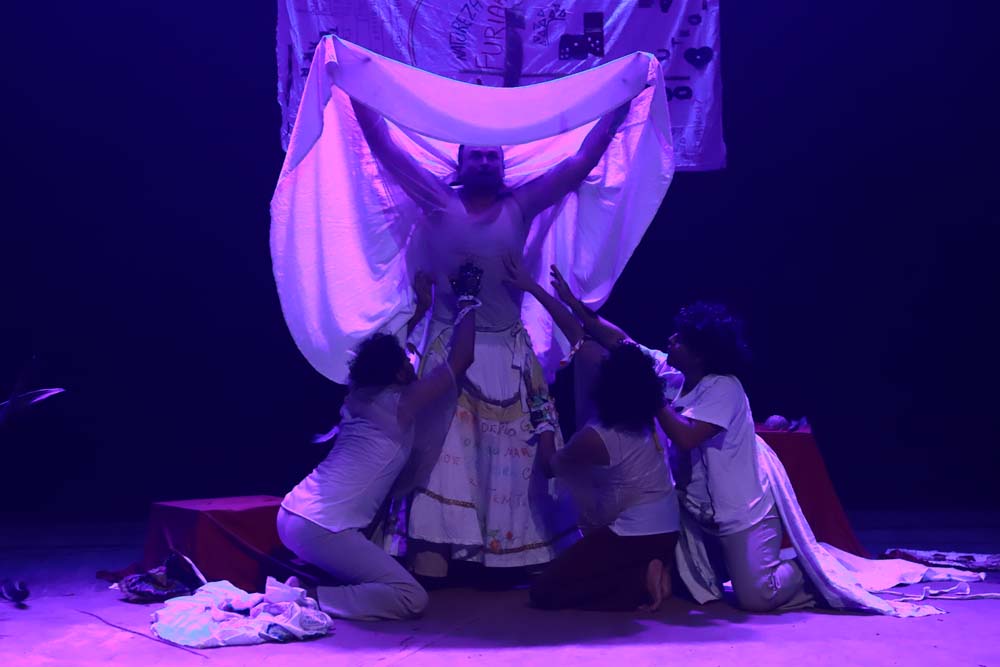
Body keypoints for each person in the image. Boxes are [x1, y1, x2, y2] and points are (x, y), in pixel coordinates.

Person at [349, 97, 632, 577]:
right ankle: (435, 550)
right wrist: (357, 90)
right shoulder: (437, 198)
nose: (484, 161)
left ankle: (512, 557)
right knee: (441, 461)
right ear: (460, 164)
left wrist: (620, 104)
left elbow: (583, 160)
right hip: (447, 354)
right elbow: (384, 145)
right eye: (475, 155)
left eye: (492, 155)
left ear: (503, 165)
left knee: (515, 460)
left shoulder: (520, 204)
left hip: (507, 351)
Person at [546, 267, 813, 613]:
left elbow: (687, 437)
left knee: (756, 598)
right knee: (689, 586)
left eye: (681, 339)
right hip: (696, 511)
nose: (671, 339)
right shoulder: (675, 376)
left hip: (741, 512)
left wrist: (651, 394)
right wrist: (573, 304)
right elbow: (620, 342)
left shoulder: (724, 388)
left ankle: (804, 568)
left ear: (700, 355)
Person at [276, 268, 481, 620]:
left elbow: (384, 354)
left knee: (370, 572)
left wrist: (421, 309)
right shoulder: (402, 403)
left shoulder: (359, 394)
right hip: (322, 528)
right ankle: (306, 597)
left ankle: (309, 586)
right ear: (398, 373)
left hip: (293, 514)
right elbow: (461, 359)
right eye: (406, 362)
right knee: (410, 597)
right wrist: (468, 297)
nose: (411, 362)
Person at [501, 256, 679, 611]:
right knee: (590, 562)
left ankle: (640, 582)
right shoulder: (647, 412)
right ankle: (646, 569)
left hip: (635, 533)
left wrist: (544, 415)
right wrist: (536, 289)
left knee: (546, 591)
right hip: (666, 529)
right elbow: (579, 334)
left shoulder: (598, 436)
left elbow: (551, 465)